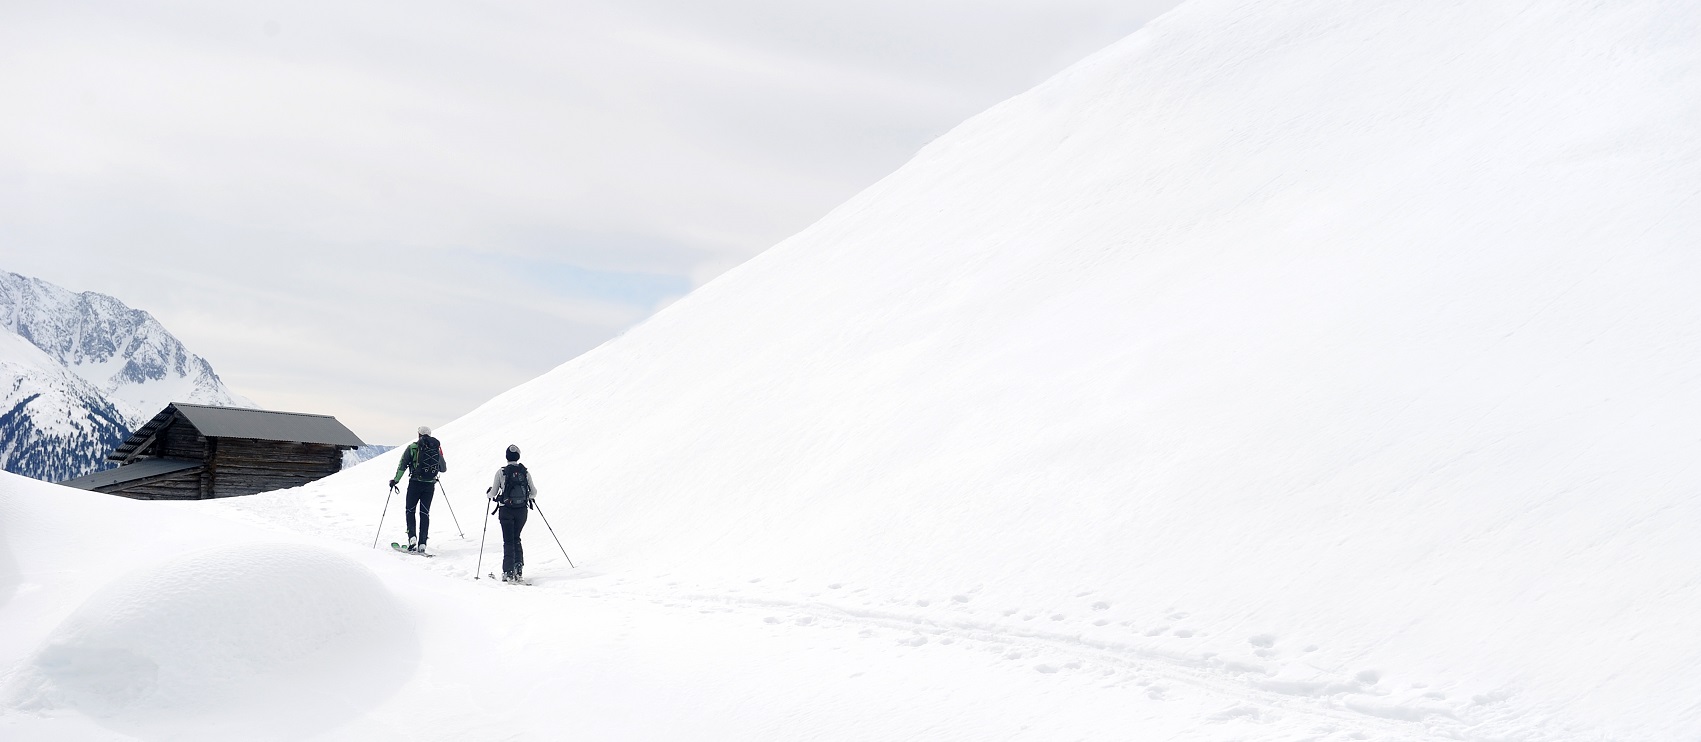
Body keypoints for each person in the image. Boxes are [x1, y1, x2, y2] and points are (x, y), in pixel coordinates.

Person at [390, 426, 448, 553]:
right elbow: (443, 469)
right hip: (430, 485)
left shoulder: (413, 447)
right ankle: (422, 543)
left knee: (410, 510)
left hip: (415, 483)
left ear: (419, 434)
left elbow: (402, 465)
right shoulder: (435, 448)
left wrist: (396, 480)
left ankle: (412, 538)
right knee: (425, 513)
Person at [487, 444, 538, 582]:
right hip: (522, 511)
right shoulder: (524, 472)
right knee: (517, 538)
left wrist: (489, 494)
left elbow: (493, 493)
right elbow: (534, 492)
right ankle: (518, 570)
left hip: (506, 510)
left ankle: (508, 572)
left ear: (506, 457)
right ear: (518, 457)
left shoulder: (501, 472)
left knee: (508, 540)